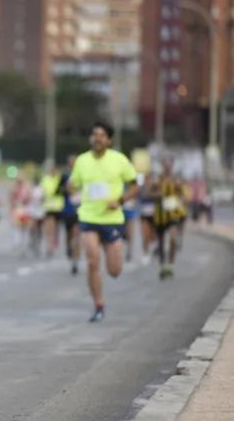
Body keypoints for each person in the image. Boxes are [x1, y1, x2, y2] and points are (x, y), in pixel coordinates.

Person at [69, 122, 138, 323]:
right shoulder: (82, 161)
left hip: (112, 219)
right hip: (89, 217)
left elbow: (134, 186)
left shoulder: (119, 160)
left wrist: (121, 200)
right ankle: (98, 304)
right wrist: (69, 186)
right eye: (94, 134)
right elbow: (74, 184)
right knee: (92, 261)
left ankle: (115, 259)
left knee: (114, 270)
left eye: (101, 135)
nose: (97, 138)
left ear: (109, 140)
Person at [151, 158, 186, 279]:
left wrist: (180, 202)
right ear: (162, 166)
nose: (167, 167)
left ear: (172, 166)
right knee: (160, 242)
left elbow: (182, 194)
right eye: (165, 165)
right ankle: (162, 265)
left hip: (173, 214)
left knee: (172, 238)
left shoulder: (176, 180)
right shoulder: (157, 180)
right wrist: (157, 195)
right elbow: (149, 193)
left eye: (169, 165)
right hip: (160, 215)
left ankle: (171, 264)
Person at [57, 155, 81, 275]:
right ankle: (68, 247)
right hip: (68, 210)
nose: (73, 164)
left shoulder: (83, 175)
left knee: (77, 236)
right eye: (71, 162)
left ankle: (75, 262)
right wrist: (66, 189)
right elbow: (58, 191)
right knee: (69, 235)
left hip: (80, 211)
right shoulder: (65, 176)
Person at [41, 165, 65, 258]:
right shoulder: (45, 179)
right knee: (49, 228)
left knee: (56, 228)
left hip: (59, 207)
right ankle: (49, 246)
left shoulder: (59, 179)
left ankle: (55, 242)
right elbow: (44, 192)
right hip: (49, 207)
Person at [9, 175, 31, 256]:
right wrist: (12, 210)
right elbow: (11, 200)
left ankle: (24, 245)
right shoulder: (14, 189)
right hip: (17, 210)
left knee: (24, 228)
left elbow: (29, 199)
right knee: (17, 227)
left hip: (25, 210)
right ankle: (17, 243)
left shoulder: (26, 188)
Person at [138, 173, 157, 266]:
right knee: (145, 235)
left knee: (152, 235)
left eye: (150, 179)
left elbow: (159, 196)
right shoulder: (141, 188)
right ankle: (145, 253)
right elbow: (142, 197)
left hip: (154, 215)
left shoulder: (155, 187)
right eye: (146, 179)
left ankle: (153, 245)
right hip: (144, 214)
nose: (148, 181)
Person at [28, 174, 46, 257]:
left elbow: (44, 199)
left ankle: (38, 241)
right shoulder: (31, 189)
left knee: (39, 227)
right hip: (33, 210)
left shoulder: (41, 189)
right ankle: (32, 240)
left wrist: (40, 201)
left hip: (39, 210)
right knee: (32, 226)